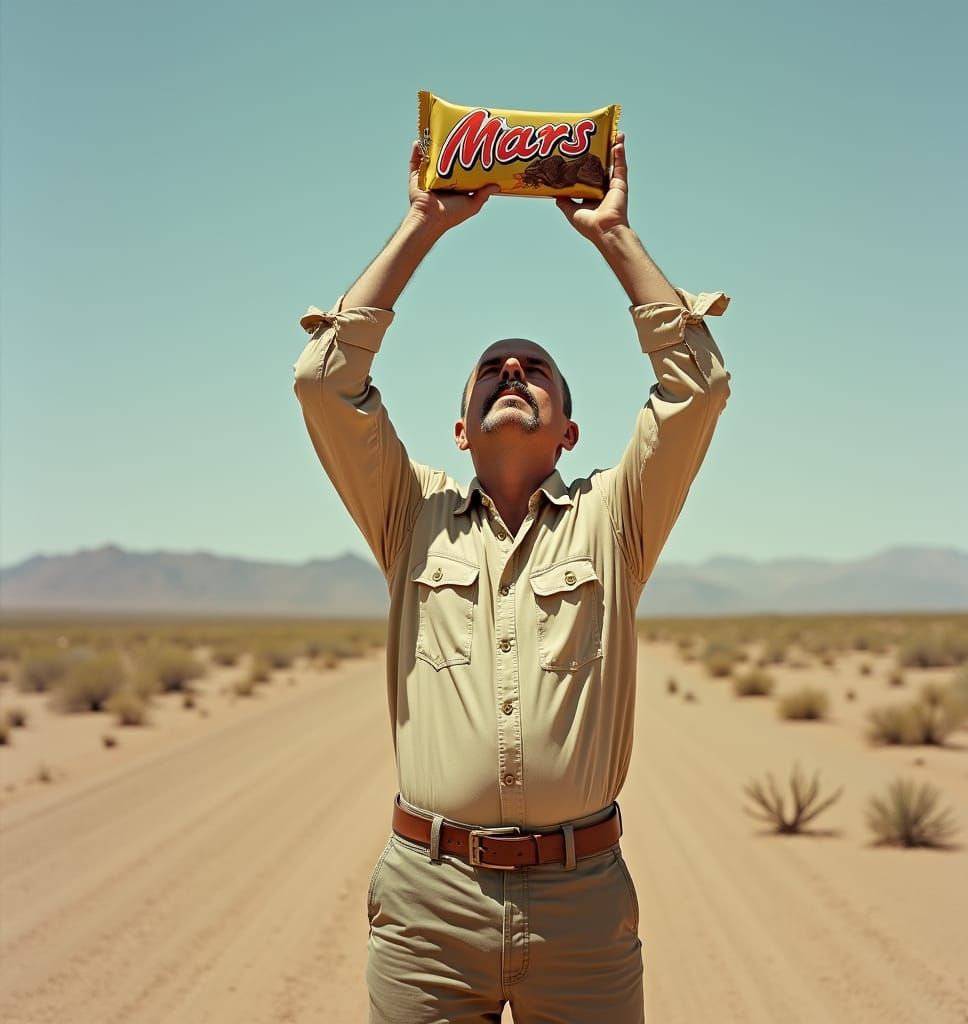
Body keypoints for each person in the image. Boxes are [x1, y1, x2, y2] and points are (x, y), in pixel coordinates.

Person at [292, 131, 730, 1023]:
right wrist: (422, 224)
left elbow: (695, 391)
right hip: (428, 903)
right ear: (460, 430)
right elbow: (323, 385)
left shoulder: (615, 523)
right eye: (493, 369)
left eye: (536, 372)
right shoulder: (409, 517)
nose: (513, 373)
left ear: (568, 431)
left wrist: (615, 237)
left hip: (582, 905)